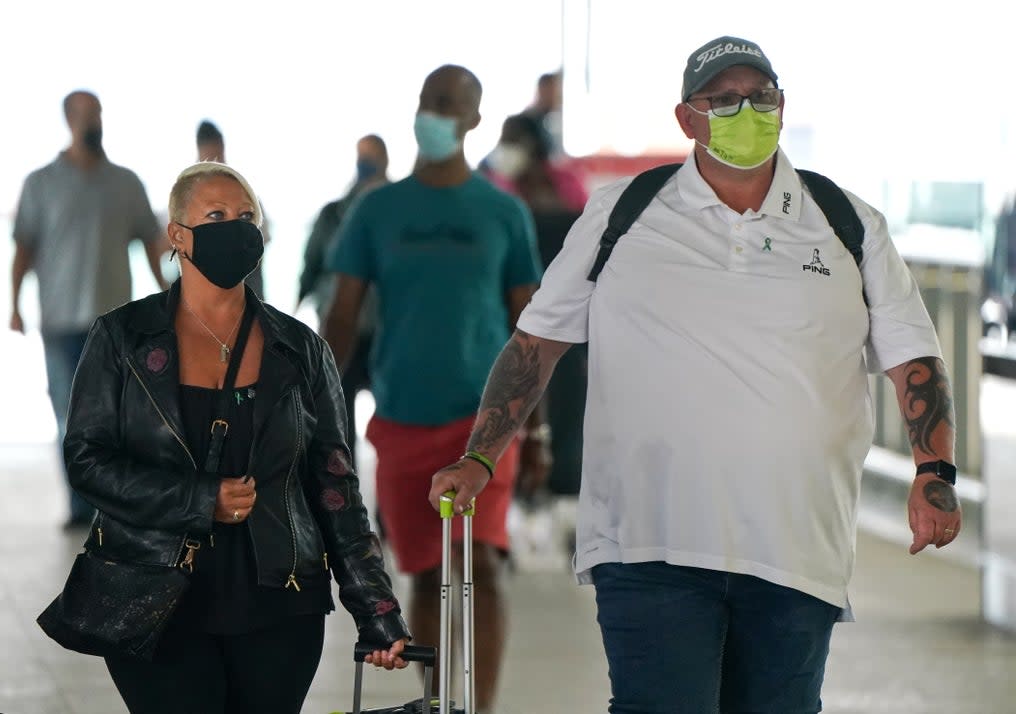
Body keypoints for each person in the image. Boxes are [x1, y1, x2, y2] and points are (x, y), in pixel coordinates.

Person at [429, 36, 963, 713]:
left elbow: (914, 357)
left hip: (797, 550)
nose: (748, 111)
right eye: (725, 100)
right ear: (687, 119)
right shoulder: (623, 214)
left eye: (760, 96)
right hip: (650, 545)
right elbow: (536, 345)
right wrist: (481, 455)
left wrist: (933, 475)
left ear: (782, 103)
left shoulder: (848, 222)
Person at [62, 161, 410, 713]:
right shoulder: (122, 338)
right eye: (217, 215)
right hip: (153, 596)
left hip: (281, 602)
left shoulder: (301, 349)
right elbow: (86, 461)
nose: (237, 226)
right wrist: (201, 499)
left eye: (247, 215)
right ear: (178, 235)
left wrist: (375, 608)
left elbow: (336, 490)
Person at [322, 65, 545, 713]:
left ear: (475, 118)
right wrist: (315, 406)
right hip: (402, 417)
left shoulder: (503, 211)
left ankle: (482, 706)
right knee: (421, 571)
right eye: (430, 101)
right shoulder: (378, 210)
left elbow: (532, 329)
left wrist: (539, 429)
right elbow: (340, 317)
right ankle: (437, 703)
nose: (438, 113)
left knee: (483, 565)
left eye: (451, 104)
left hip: (486, 423)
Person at [10, 89, 168, 529]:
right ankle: (81, 507)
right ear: (68, 119)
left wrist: (173, 300)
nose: (93, 120)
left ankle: (112, 504)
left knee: (118, 418)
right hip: (59, 321)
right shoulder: (40, 183)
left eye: (97, 112)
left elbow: (152, 245)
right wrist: (14, 306)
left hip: (116, 323)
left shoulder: (127, 182)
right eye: (85, 113)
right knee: (69, 416)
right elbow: (23, 248)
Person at [482, 112, 590, 558]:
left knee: (565, 419)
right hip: (514, 325)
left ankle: (564, 511)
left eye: (511, 140)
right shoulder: (499, 193)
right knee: (512, 413)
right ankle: (511, 514)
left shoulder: (568, 186)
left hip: (567, 331)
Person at [299, 134, 389, 453]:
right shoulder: (334, 214)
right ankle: (342, 489)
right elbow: (311, 264)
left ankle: (384, 498)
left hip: (386, 331)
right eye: (361, 156)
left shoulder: (397, 211)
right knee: (339, 419)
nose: (365, 164)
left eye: (372, 157)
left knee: (391, 422)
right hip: (341, 327)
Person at [195, 120, 268, 299]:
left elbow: (263, 243)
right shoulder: (187, 200)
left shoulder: (246, 194)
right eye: (210, 159)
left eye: (219, 158)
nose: (217, 165)